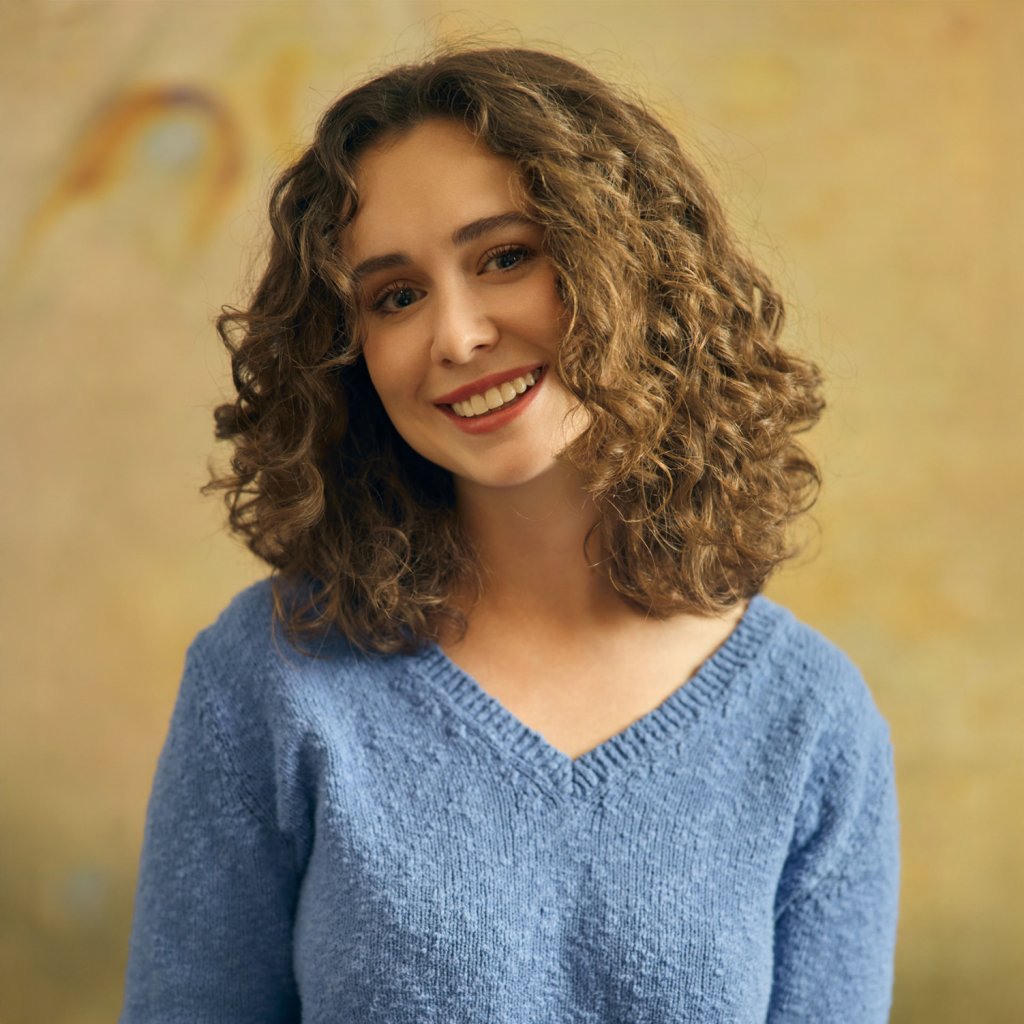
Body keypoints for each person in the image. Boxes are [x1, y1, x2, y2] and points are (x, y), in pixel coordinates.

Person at [120, 46, 899, 1023]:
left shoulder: (811, 719)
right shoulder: (266, 679)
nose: (455, 334)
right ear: (347, 351)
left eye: (504, 257)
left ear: (627, 264)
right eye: (394, 296)